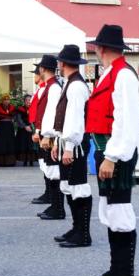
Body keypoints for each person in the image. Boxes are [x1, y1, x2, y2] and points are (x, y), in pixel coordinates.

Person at [84, 24, 139, 276]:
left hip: (116, 154)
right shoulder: (111, 73)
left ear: (101, 48)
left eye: (95, 46)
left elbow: (126, 122)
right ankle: (115, 271)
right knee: (110, 211)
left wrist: (111, 157)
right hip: (106, 151)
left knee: (120, 213)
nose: (94, 49)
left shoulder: (123, 75)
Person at [49, 45, 92, 248]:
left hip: (75, 144)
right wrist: (59, 142)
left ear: (63, 63)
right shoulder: (70, 83)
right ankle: (77, 229)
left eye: (59, 61)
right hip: (68, 143)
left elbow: (75, 119)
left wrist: (68, 146)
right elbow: (65, 118)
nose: (58, 64)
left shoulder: (76, 86)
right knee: (69, 186)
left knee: (79, 187)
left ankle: (83, 234)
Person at [36, 55, 64, 220]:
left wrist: (46, 134)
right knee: (50, 170)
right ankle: (55, 206)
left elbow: (53, 113)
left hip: (51, 134)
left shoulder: (53, 87)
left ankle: (58, 208)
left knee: (54, 171)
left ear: (43, 68)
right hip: (47, 133)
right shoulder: (49, 86)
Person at [29, 67, 50, 204]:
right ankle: (48, 192)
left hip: (42, 129)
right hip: (38, 127)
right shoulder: (40, 89)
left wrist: (38, 130)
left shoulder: (44, 89)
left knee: (47, 164)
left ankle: (50, 194)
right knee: (43, 163)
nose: (34, 77)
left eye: (35, 74)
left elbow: (42, 112)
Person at [0, 94, 17, 166]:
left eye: (8, 100)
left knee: (10, 143)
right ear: (2, 101)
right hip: (0, 127)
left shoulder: (12, 108)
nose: (6, 101)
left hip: (9, 127)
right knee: (1, 143)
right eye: (5, 100)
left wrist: (13, 120)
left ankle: (10, 162)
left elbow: (15, 116)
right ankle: (0, 162)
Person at [15, 94, 36, 166]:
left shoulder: (34, 109)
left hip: (32, 129)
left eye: (30, 100)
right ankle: (24, 161)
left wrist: (32, 126)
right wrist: (25, 126)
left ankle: (31, 161)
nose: (28, 101)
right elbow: (19, 119)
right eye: (27, 100)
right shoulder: (20, 109)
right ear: (24, 101)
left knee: (31, 145)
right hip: (23, 130)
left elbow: (35, 119)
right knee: (24, 145)